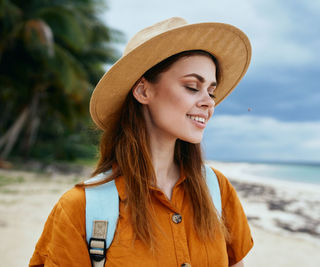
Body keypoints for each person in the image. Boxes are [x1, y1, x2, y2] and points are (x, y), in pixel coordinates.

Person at [29, 17, 253, 267]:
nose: (209, 102)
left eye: (211, 91)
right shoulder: (79, 209)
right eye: (192, 86)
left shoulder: (217, 191)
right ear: (143, 91)